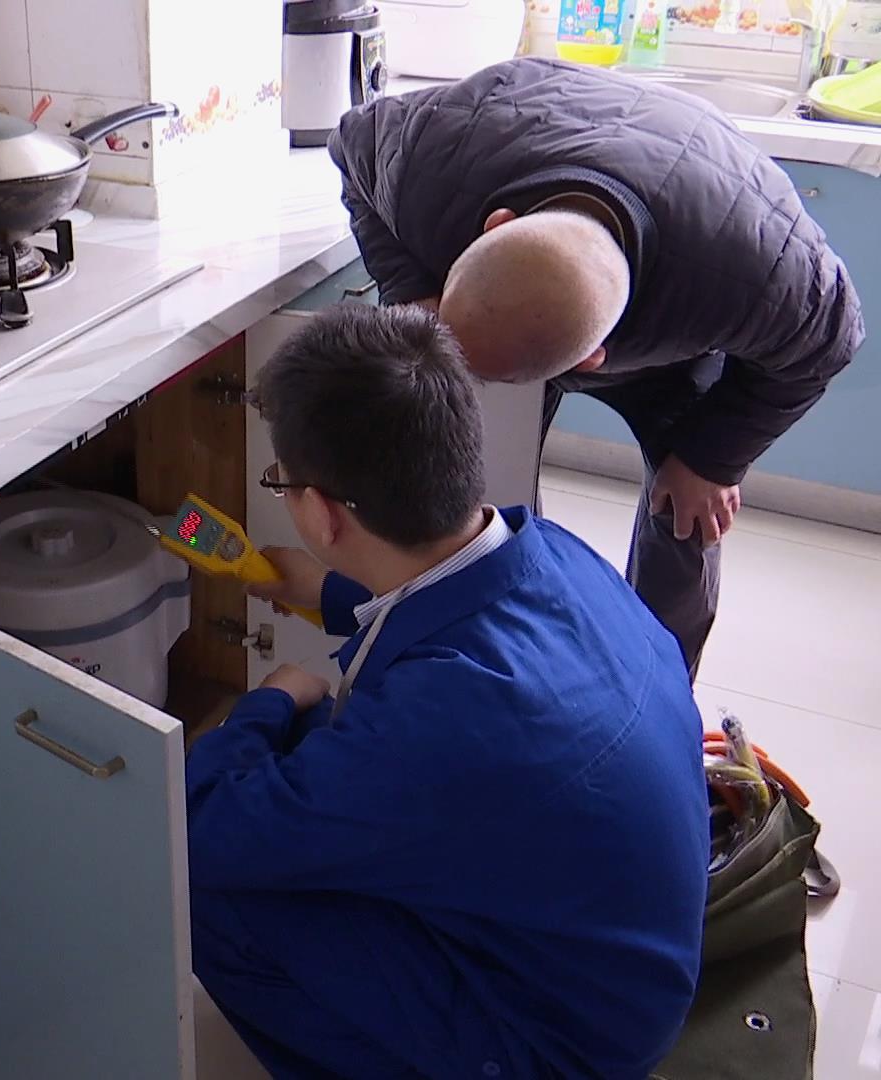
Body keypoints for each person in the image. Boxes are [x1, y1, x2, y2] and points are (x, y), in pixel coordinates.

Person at [187, 304, 710, 1079]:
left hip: (563, 1046)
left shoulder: (443, 723)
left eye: (284, 485)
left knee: (210, 892)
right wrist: (329, 593)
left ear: (322, 515)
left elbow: (201, 827)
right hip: (622, 971)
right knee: (319, 770)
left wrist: (268, 701)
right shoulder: (555, 550)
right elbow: (456, 600)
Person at [328, 58, 865, 674]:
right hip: (524, 132)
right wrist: (415, 294)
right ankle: (489, 650)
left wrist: (712, 459)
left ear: (592, 360)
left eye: (494, 376)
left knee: (689, 513)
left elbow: (829, 345)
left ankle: (660, 681)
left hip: (683, 279)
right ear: (495, 226)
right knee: (463, 463)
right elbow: (351, 144)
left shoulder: (765, 278)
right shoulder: (429, 163)